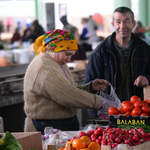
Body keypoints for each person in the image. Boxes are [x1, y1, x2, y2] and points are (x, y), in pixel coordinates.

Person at [23, 29, 110, 134]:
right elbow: (67, 95)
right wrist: (100, 102)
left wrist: (90, 87)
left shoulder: (56, 63)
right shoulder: (44, 68)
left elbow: (68, 88)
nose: (69, 59)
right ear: (55, 48)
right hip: (46, 128)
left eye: (71, 55)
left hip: (58, 126)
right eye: (67, 54)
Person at [84, 7, 150, 118]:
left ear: (133, 24)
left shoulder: (145, 50)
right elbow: (89, 87)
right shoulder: (100, 52)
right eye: (118, 22)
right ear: (113, 24)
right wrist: (94, 118)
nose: (122, 26)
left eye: (126, 21)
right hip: (110, 114)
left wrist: (147, 77)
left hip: (138, 114)